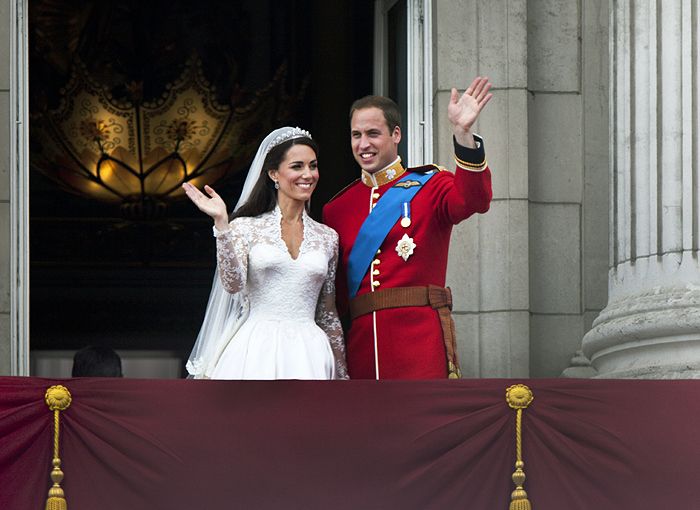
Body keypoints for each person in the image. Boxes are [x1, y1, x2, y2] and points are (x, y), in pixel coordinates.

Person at [322, 76, 493, 380]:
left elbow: (475, 200)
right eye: (356, 135)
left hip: (419, 345)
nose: (363, 144)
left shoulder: (431, 186)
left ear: (396, 134)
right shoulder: (337, 209)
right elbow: (334, 297)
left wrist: (463, 134)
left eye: (373, 133)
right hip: (362, 350)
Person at [183, 127, 348, 380]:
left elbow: (327, 312)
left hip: (310, 352)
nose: (308, 174)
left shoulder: (328, 237)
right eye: (297, 166)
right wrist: (221, 225)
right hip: (255, 348)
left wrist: (342, 375)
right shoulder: (245, 228)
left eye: (312, 166)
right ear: (274, 174)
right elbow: (232, 284)